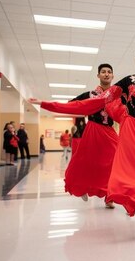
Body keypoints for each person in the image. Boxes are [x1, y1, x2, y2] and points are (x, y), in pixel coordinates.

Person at [31, 45, 135, 240]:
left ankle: (134, 203)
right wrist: (47, 104)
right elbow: (88, 103)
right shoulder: (127, 82)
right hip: (132, 132)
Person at [42, 64, 121, 207]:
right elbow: (73, 105)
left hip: (109, 132)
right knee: (85, 161)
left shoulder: (116, 96)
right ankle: (81, 186)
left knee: (116, 162)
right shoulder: (89, 95)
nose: (106, 74)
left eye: (109, 72)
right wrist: (83, 110)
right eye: (103, 72)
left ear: (113, 76)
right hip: (93, 130)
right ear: (98, 76)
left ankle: (109, 195)